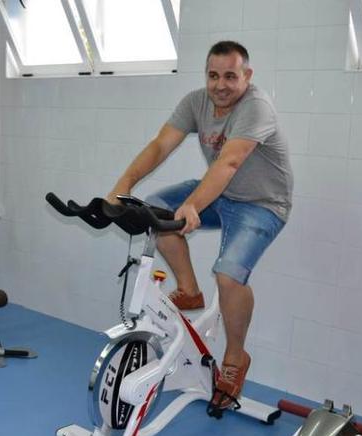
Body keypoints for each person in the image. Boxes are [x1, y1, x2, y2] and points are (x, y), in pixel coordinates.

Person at [106, 41, 293, 411]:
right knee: (154, 211)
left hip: (262, 203)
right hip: (221, 194)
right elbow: (160, 146)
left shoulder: (256, 107)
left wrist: (192, 204)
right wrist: (121, 188)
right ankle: (189, 289)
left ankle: (236, 359)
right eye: (213, 75)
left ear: (247, 76)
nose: (220, 85)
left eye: (230, 76)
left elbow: (229, 163)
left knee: (228, 276)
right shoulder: (197, 102)